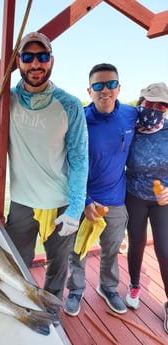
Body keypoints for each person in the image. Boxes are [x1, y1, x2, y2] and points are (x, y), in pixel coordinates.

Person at [0, 32, 89, 301]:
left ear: (52, 60)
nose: (36, 64)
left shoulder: (70, 105)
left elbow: (79, 158)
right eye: (28, 57)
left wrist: (76, 208)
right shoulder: (9, 100)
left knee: (57, 266)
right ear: (18, 62)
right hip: (22, 202)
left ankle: (52, 310)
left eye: (43, 57)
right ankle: (18, 304)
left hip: (60, 202)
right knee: (16, 262)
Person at [64, 63, 138, 316]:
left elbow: (160, 126)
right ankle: (75, 290)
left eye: (110, 84)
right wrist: (84, 199)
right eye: (98, 85)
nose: (105, 90)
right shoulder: (79, 120)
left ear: (119, 87)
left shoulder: (131, 115)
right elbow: (67, 162)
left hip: (116, 199)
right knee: (78, 250)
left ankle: (107, 288)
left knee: (111, 248)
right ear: (89, 90)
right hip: (82, 198)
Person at [124, 82, 168, 333]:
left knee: (165, 249)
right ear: (140, 103)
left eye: (161, 105)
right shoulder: (131, 128)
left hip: (163, 199)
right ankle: (134, 284)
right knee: (137, 243)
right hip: (135, 195)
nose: (154, 109)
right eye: (149, 104)